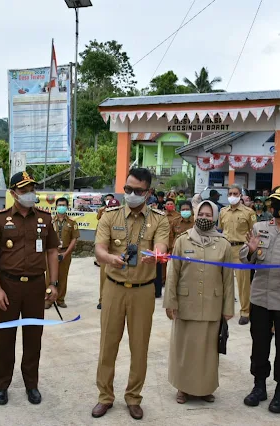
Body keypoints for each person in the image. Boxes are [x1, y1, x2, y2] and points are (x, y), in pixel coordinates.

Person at [91, 168, 170, 420]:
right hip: (113, 288)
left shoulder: (159, 219)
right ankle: (105, 396)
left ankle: (133, 397)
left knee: (139, 347)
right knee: (107, 346)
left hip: (143, 292)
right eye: (128, 189)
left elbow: (161, 245)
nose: (131, 194)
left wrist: (157, 255)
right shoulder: (110, 216)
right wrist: (109, 259)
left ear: (148, 192)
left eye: (137, 191)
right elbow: (99, 249)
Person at [0, 171, 59, 406]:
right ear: (13, 193)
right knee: (5, 337)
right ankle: (2, 385)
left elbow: (52, 251)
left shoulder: (45, 219)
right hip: (9, 285)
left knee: (33, 337)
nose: (30, 194)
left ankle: (31, 385)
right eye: (24, 190)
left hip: (36, 286)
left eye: (32, 189)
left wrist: (54, 284)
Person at [240, 186, 280, 414]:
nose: (275, 208)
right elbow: (246, 261)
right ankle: (259, 386)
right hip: (260, 297)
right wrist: (249, 251)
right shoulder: (259, 227)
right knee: (259, 344)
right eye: (273, 204)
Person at [164, 200, 234, 404]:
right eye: (201, 214)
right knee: (184, 348)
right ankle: (182, 388)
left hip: (212, 304)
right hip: (186, 304)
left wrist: (228, 308)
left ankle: (205, 388)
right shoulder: (182, 241)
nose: (204, 218)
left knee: (207, 351)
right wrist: (171, 301)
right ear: (196, 215)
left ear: (215, 217)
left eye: (208, 215)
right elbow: (172, 274)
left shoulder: (223, 244)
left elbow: (228, 279)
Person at [219, 184, 256, 326]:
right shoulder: (223, 211)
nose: (232, 196)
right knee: (225, 281)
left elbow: (254, 232)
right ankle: (226, 310)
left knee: (243, 283)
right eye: (230, 193)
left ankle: (245, 312)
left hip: (242, 250)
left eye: (235, 193)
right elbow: (221, 230)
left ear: (240, 195)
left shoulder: (249, 212)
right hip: (227, 248)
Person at [47, 197, 79, 309]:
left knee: (62, 276)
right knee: (49, 276)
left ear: (67, 207)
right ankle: (48, 299)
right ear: (56, 207)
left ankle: (60, 299)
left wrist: (65, 253)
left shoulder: (72, 222)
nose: (61, 207)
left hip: (65, 252)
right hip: (52, 252)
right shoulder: (50, 221)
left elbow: (74, 239)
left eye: (63, 205)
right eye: (59, 205)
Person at [96, 194, 115, 308]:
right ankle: (102, 300)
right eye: (107, 200)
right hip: (105, 252)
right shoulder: (102, 214)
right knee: (104, 277)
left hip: (116, 253)